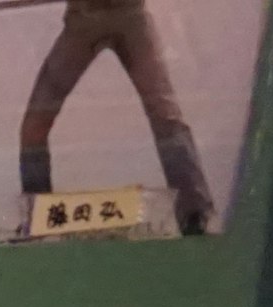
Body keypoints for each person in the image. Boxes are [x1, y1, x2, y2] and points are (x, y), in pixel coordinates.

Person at [17, 0, 214, 236]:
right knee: (33, 127)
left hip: (127, 16)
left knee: (166, 117)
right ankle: (39, 218)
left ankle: (194, 212)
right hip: (85, 19)